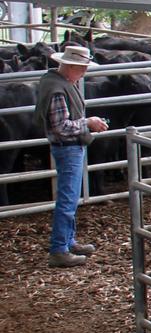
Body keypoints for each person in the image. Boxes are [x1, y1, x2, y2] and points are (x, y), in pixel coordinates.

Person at [34, 44, 108, 268]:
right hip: (67, 147)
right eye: (81, 67)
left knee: (70, 197)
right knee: (67, 198)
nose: (84, 72)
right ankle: (59, 249)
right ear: (69, 65)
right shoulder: (58, 89)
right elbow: (60, 126)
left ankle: (68, 241)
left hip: (67, 147)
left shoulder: (56, 81)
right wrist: (88, 122)